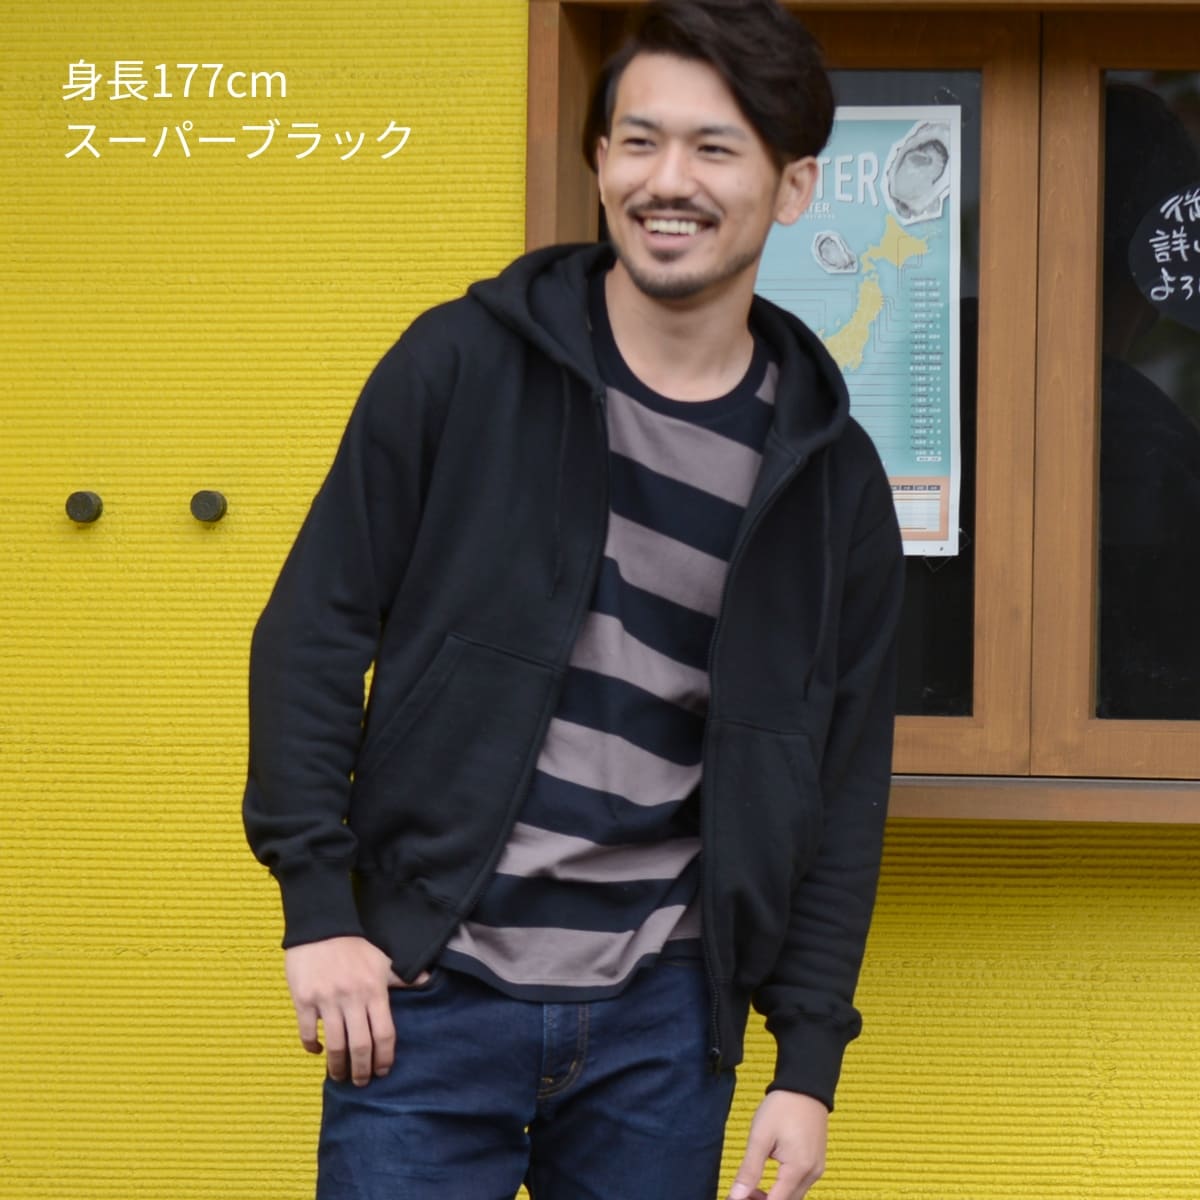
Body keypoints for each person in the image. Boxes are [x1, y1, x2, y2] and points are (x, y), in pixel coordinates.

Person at [243, 2, 904, 1197]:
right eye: (639, 141)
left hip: (663, 1024)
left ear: (794, 185)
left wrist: (807, 1066)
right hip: (427, 994)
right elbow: (313, 630)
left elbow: (844, 777)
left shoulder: (830, 478)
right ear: (599, 161)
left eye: (714, 148)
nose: (669, 180)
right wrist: (319, 910)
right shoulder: (460, 365)